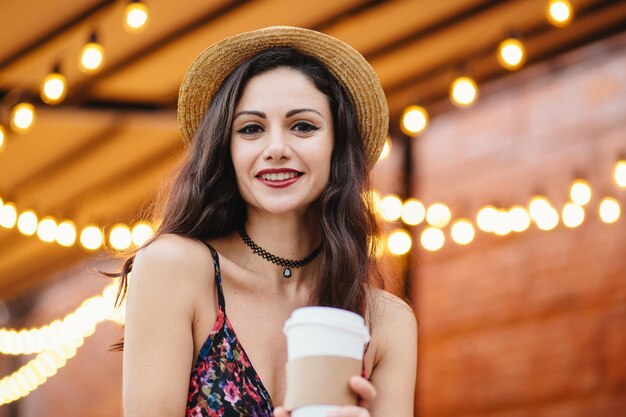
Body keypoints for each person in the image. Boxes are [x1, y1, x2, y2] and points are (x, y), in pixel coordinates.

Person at [113, 26, 417, 417]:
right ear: (228, 149)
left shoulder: (387, 323)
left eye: (303, 126)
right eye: (251, 129)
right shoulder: (174, 268)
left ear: (337, 145)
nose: (276, 148)